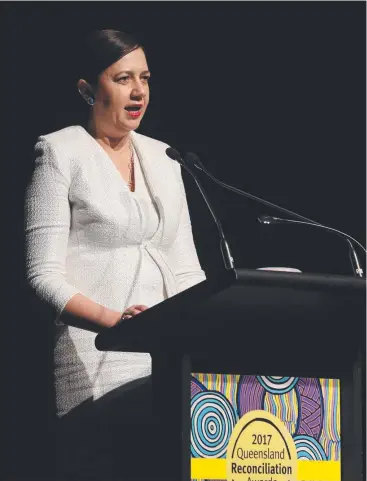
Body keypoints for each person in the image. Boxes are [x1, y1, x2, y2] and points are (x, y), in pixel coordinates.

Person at [24, 29, 206, 480]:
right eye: (123, 78)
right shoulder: (59, 152)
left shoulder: (165, 157)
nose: (139, 90)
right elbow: (41, 276)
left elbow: (187, 270)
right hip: (99, 359)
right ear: (88, 89)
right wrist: (120, 324)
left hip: (170, 359)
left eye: (144, 77)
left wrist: (202, 335)